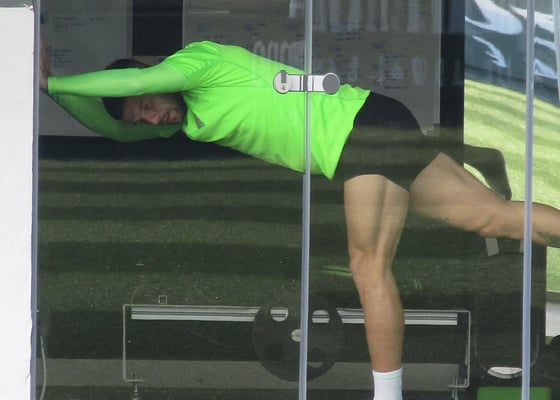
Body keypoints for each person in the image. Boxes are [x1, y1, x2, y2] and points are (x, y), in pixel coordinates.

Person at [40, 40, 560, 400]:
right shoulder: (190, 120)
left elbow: (135, 79)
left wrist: (55, 77)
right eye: (144, 116)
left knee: (368, 267)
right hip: (374, 122)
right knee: (494, 219)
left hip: (358, 132)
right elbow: (118, 132)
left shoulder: (197, 62)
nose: (154, 116)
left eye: (148, 104)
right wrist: (52, 91)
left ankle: (388, 394)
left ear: (151, 77)